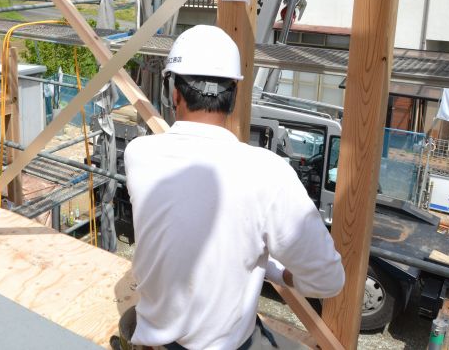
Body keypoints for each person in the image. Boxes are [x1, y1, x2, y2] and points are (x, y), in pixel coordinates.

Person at [120, 25, 345, 350]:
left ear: (174, 92)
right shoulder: (268, 173)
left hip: (156, 341)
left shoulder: (138, 154)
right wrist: (279, 273)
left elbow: (189, 221)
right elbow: (329, 279)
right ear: (235, 96)